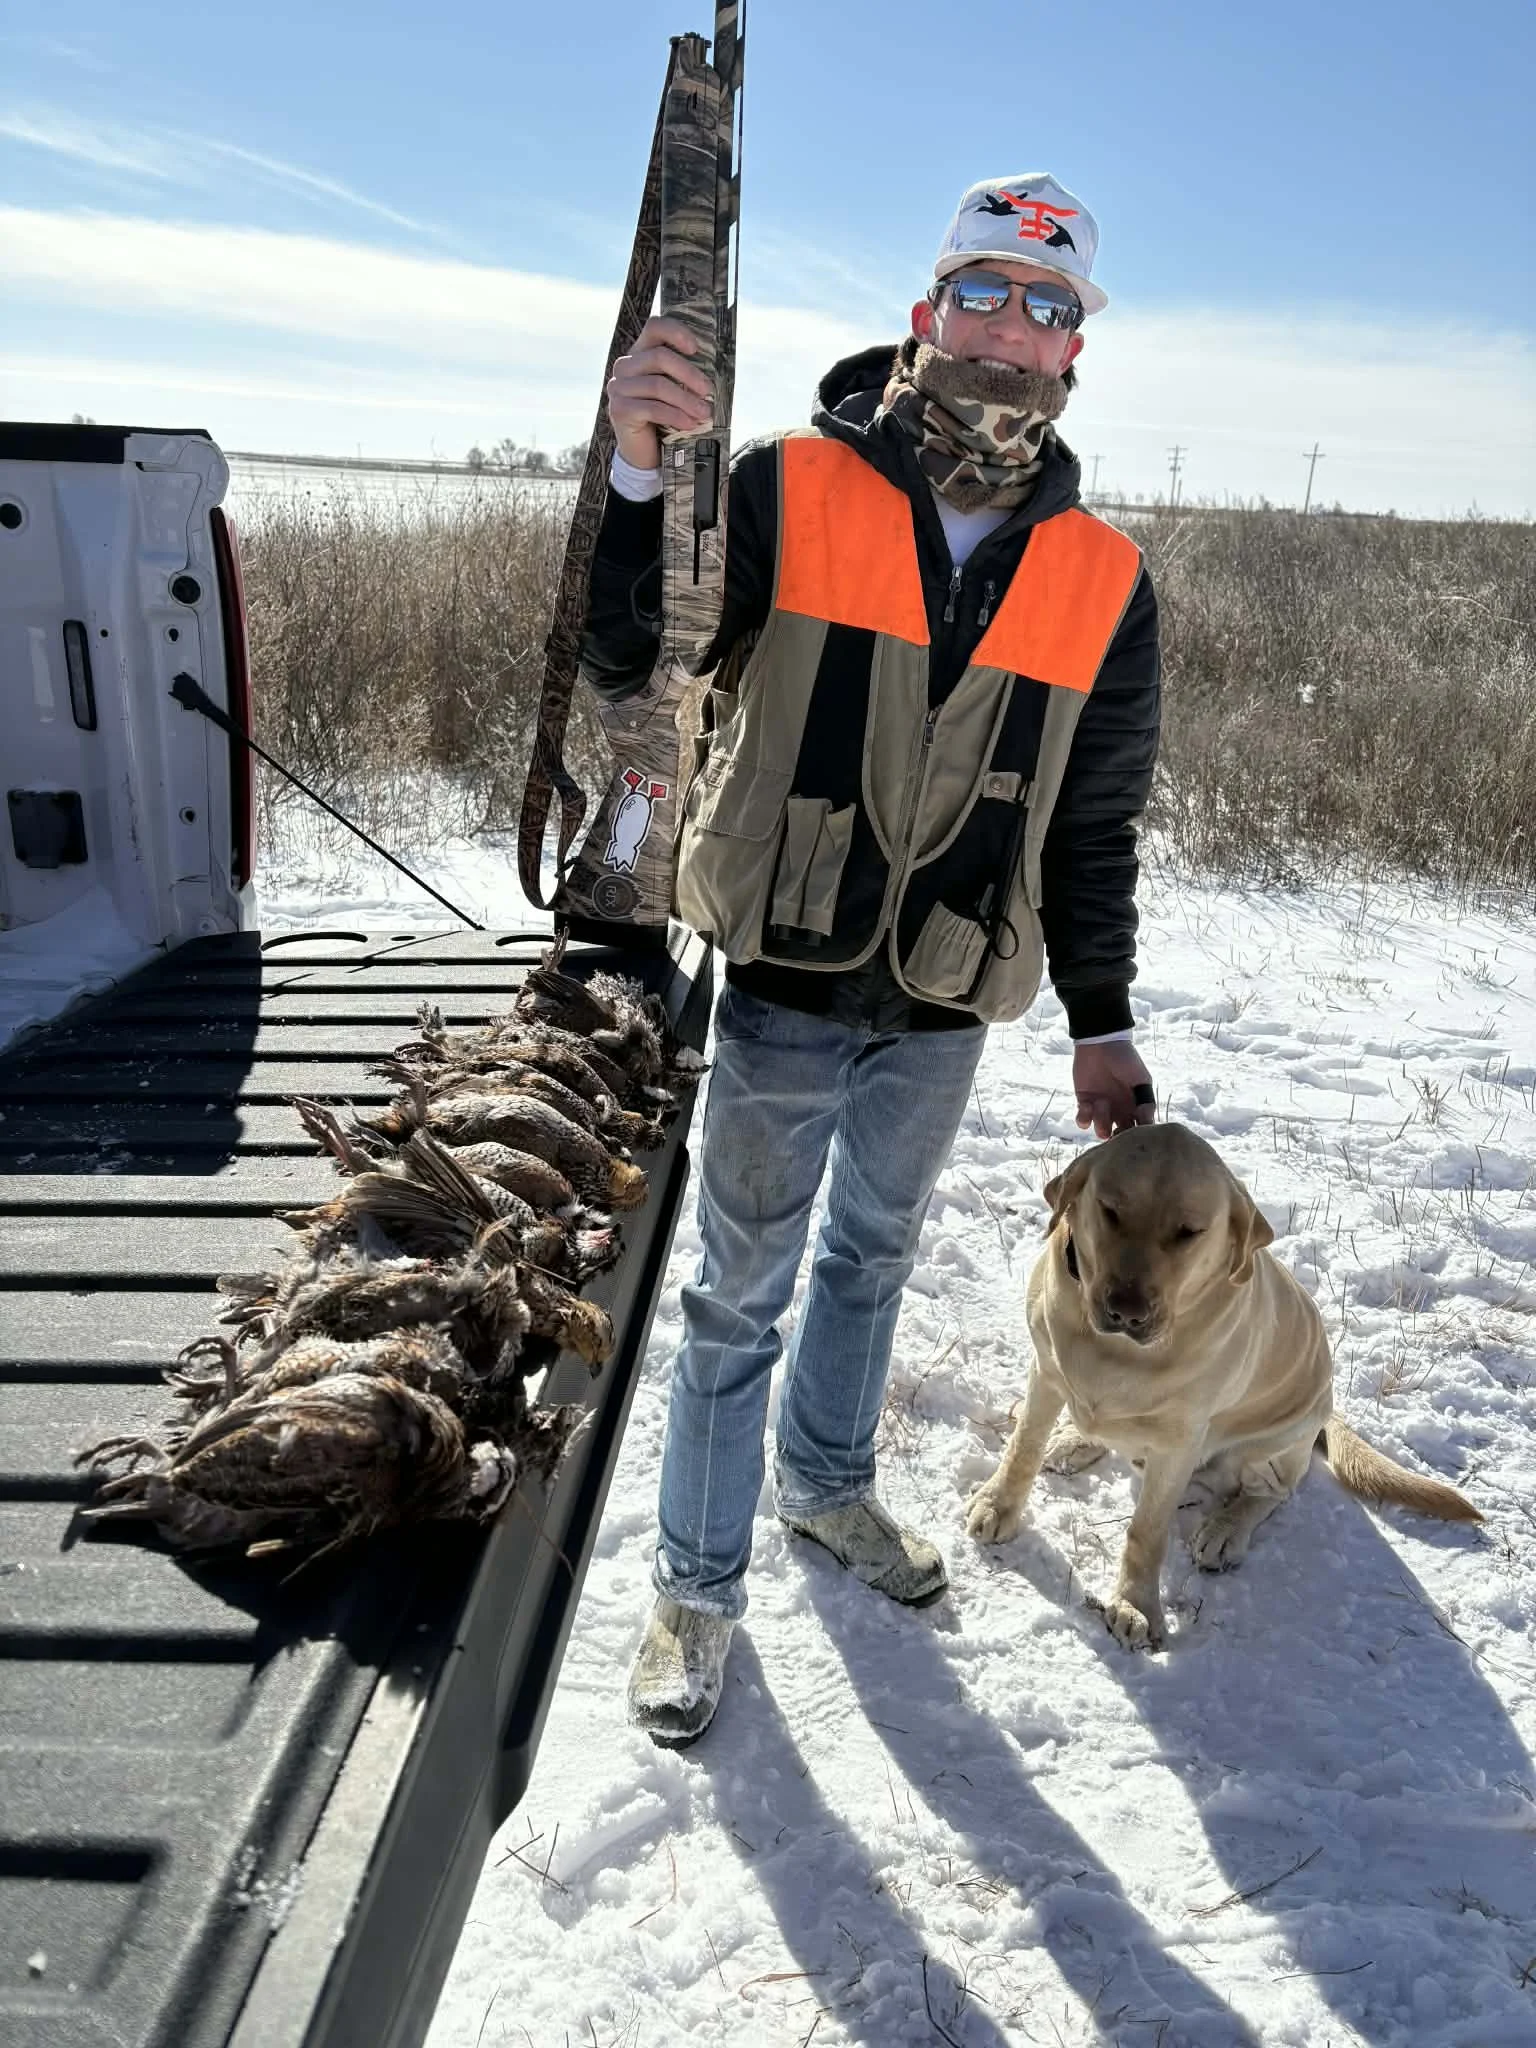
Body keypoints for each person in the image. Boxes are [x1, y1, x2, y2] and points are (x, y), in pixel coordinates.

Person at [579, 173, 1161, 1745]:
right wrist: (640, 476)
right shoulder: (781, 481)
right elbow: (635, 653)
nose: (1013, 324)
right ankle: (695, 1591)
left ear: (1071, 361)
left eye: (1051, 307)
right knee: (736, 1297)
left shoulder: (1107, 577)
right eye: (984, 289)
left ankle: (828, 1489)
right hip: (783, 972)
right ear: (926, 315)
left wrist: (1101, 1022)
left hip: (951, 993)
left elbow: (1094, 828)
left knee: (873, 1259)